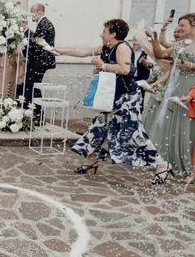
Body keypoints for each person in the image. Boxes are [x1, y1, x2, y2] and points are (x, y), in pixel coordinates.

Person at [53, 19, 171, 185]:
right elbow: (84, 51)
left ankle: (161, 165)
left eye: (105, 31)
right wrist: (60, 51)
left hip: (126, 99)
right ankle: (91, 160)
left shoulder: (122, 47)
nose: (101, 34)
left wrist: (103, 65)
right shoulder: (106, 47)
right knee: (99, 127)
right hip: (112, 98)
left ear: (113, 34)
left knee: (133, 133)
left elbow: (126, 69)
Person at [146, 13, 195, 179]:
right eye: (179, 25)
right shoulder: (181, 44)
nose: (179, 28)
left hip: (192, 86)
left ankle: (184, 163)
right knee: (168, 121)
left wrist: (190, 65)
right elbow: (160, 54)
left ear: (193, 25)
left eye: (183, 25)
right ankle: (165, 162)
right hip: (176, 85)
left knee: (186, 124)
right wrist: (154, 38)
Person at [18, 4, 55, 116]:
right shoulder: (43, 23)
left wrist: (25, 50)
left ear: (40, 12)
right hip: (39, 60)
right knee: (33, 86)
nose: (31, 14)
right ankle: (35, 113)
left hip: (40, 61)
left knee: (32, 86)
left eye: (32, 12)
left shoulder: (44, 24)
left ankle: (36, 113)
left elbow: (38, 44)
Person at [131, 40, 151, 110]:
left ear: (140, 43)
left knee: (139, 98)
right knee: (130, 97)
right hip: (130, 78)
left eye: (136, 40)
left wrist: (146, 63)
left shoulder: (146, 54)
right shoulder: (129, 53)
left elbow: (151, 66)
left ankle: (139, 112)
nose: (134, 43)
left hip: (141, 80)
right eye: (134, 40)